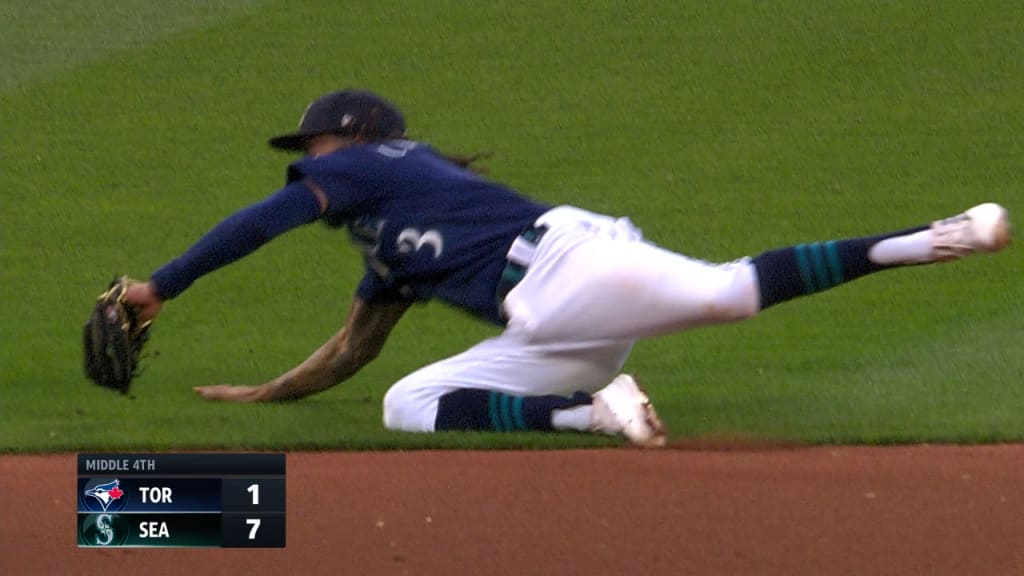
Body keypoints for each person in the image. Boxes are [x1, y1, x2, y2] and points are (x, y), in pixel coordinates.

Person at [123, 89, 1012, 447]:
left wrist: (160, 285)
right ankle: (595, 411)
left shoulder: (364, 165)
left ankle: (942, 236)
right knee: (406, 404)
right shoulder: (393, 229)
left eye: (313, 141)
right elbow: (353, 351)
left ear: (350, 141)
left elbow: (258, 222)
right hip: (562, 326)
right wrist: (259, 397)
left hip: (568, 267)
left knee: (732, 292)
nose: (306, 155)